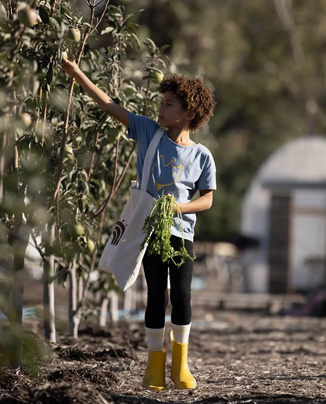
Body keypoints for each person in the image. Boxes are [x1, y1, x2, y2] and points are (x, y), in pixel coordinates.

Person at [62, 58, 216, 391]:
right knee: (156, 297)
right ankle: (154, 365)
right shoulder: (148, 131)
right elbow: (108, 104)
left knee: (184, 295)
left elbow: (207, 199)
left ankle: (181, 365)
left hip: (181, 233)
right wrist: (78, 75)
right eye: (162, 103)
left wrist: (180, 207)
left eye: (168, 105)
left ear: (188, 114)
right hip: (150, 232)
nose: (160, 109)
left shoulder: (202, 156)